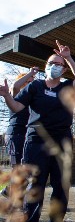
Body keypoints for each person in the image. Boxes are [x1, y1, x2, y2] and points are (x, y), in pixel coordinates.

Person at [0, 41, 75, 222]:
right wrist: (6, 96)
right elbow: (18, 108)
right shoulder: (35, 87)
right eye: (51, 62)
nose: (53, 66)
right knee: (35, 184)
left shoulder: (66, 87)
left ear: (63, 70)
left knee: (61, 185)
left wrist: (68, 57)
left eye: (58, 64)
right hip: (36, 142)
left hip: (61, 141)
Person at [0, 69, 35, 198]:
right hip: (15, 134)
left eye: (32, 82)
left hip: (27, 135)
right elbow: (15, 86)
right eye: (27, 82)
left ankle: (9, 191)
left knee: (27, 169)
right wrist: (31, 73)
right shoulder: (15, 94)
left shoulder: (32, 99)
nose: (30, 84)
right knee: (18, 168)